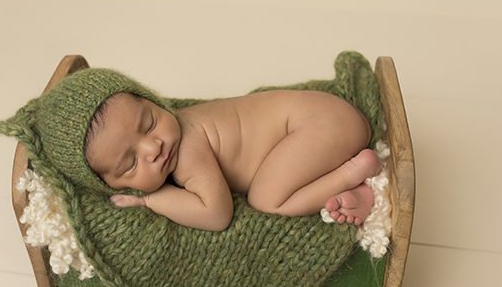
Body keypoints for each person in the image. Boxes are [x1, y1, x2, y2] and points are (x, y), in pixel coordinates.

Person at [84, 87, 381, 232]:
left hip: (320, 126)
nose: (153, 147)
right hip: (328, 117)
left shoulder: (186, 150)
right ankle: (356, 192)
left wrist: (151, 199)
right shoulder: (175, 130)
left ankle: (352, 172)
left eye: (150, 123)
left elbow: (216, 215)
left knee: (266, 199)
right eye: (131, 164)